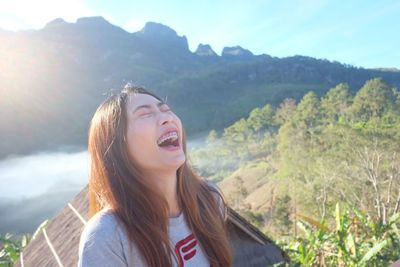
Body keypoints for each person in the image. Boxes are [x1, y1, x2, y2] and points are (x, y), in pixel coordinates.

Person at [78, 84, 233, 267]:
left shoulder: (209, 198)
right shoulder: (107, 237)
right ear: (118, 147)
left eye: (166, 110)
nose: (167, 118)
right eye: (145, 114)